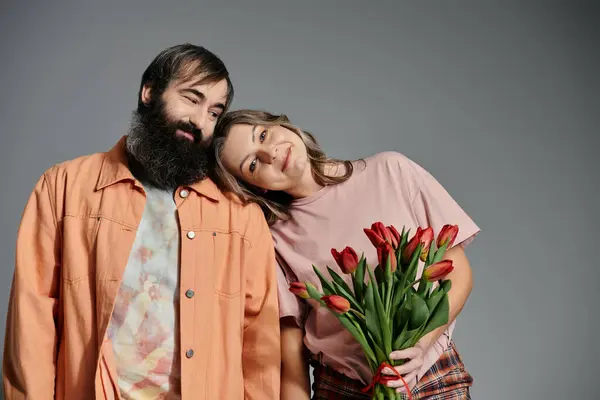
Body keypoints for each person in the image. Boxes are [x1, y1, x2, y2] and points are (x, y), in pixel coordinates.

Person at [3, 45, 280, 400]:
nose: (200, 120)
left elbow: (260, 344)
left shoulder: (240, 215)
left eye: (214, 111)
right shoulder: (64, 186)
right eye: (191, 98)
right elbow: (32, 319)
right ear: (149, 92)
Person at [211, 109, 480, 399]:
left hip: (430, 372)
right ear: (256, 187)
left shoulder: (392, 170)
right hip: (345, 389)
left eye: (263, 135)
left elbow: (457, 269)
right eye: (253, 164)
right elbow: (292, 357)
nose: (270, 154)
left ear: (279, 123)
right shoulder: (273, 240)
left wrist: (423, 344)